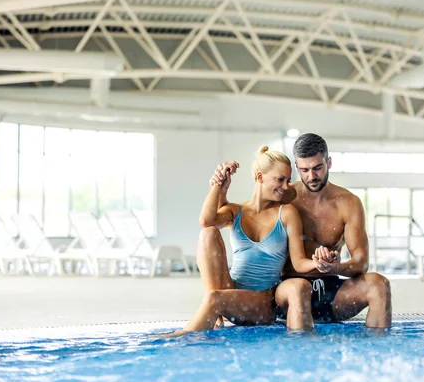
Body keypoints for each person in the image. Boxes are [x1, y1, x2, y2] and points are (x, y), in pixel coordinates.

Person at [215, 133, 392, 328]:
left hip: (331, 293)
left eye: (317, 168)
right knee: (298, 289)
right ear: (297, 168)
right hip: (288, 291)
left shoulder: (348, 203)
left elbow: (361, 262)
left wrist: (335, 268)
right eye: (304, 170)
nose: (312, 176)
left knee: (379, 284)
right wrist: (220, 189)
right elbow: (244, 215)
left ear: (329, 162)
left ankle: (377, 350)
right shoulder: (284, 195)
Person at [157, 146, 333, 338]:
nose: (286, 186)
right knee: (208, 234)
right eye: (280, 179)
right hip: (231, 292)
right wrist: (219, 185)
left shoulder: (286, 213)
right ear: (260, 177)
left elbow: (298, 261)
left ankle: (182, 337)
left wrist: (318, 262)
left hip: (261, 302)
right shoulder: (236, 210)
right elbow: (206, 221)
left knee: (214, 298)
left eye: (288, 180)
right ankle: (216, 315)